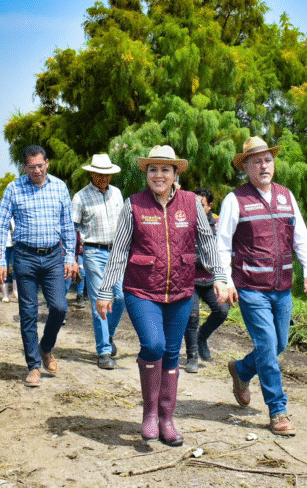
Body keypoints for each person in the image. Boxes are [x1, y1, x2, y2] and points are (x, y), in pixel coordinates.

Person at [96, 145, 227, 446]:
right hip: (141, 290)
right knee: (153, 345)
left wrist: (219, 276)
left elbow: (207, 244)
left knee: (171, 352)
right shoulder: (134, 205)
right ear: (146, 172)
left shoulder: (192, 203)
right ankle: (150, 414)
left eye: (165, 169)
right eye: (153, 169)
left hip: (181, 291)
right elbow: (119, 251)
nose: (158, 174)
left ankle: (167, 418)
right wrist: (105, 290)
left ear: (175, 173)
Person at [217, 136, 307, 437]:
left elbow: (301, 236)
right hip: (250, 288)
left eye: (268, 160)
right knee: (267, 348)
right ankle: (278, 410)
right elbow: (222, 244)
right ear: (246, 166)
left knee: (279, 344)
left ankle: (242, 370)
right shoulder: (235, 199)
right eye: (256, 161)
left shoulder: (286, 196)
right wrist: (225, 280)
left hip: (282, 287)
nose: (264, 166)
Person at [0, 145, 77, 387]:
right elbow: (0, 226)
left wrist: (70, 256)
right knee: (27, 313)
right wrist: (0, 261)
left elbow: (67, 225)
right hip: (25, 256)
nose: (37, 170)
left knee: (59, 308)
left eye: (41, 165)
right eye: (32, 167)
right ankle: (33, 366)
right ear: (24, 166)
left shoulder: (60, 187)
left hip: (52, 256)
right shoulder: (14, 188)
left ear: (47, 163)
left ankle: (46, 347)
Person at [71, 153, 125, 370]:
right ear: (91, 173)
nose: (104, 177)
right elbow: (72, 229)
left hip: (117, 253)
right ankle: (103, 351)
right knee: (99, 302)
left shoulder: (117, 194)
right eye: (100, 174)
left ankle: (108, 336)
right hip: (94, 252)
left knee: (120, 298)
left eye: (107, 174)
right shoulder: (80, 197)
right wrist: (73, 258)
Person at [183, 188, 230, 373]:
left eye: (200, 205)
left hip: (211, 280)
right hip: (190, 280)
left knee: (222, 311)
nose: (195, 208)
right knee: (192, 316)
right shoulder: (184, 222)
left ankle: (203, 337)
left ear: (210, 207)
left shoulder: (218, 225)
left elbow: (224, 251)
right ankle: (192, 356)